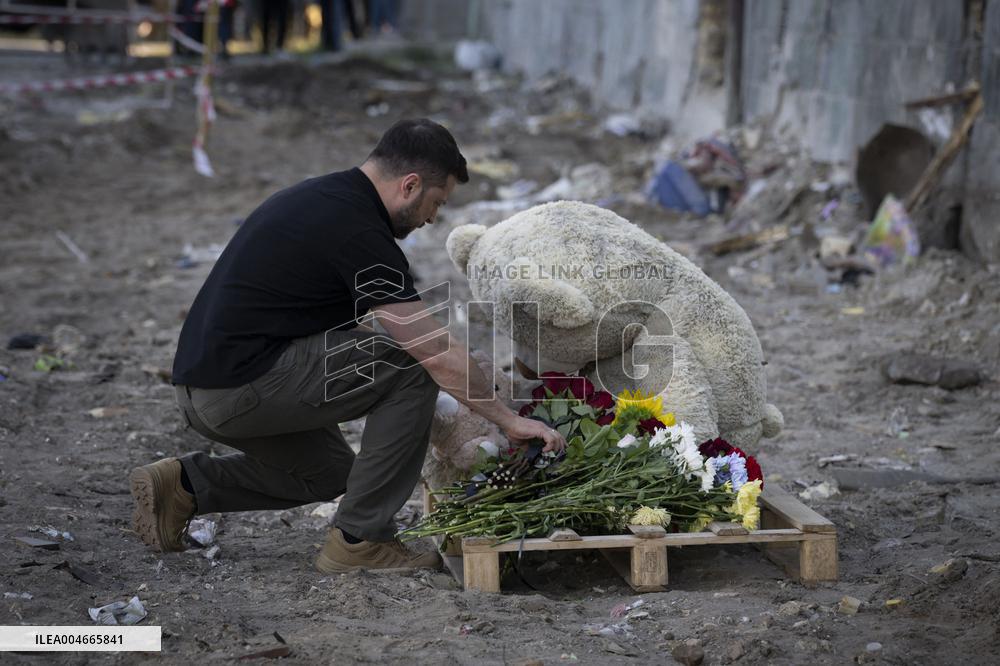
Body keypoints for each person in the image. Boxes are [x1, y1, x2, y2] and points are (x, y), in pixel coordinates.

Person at [129, 119, 566, 572]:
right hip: (237, 389)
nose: (432, 217)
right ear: (410, 185)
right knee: (411, 368)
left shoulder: (321, 199)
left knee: (334, 474)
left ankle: (184, 485)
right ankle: (360, 540)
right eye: (436, 203)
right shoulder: (360, 233)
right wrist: (509, 420)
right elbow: (431, 350)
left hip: (206, 386)